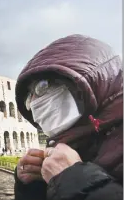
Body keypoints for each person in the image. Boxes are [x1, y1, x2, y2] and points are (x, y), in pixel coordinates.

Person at [14, 34, 123, 200]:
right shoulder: (73, 145)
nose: (34, 103)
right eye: (29, 97)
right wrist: (33, 188)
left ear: (87, 81)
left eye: (42, 86)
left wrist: (74, 179)